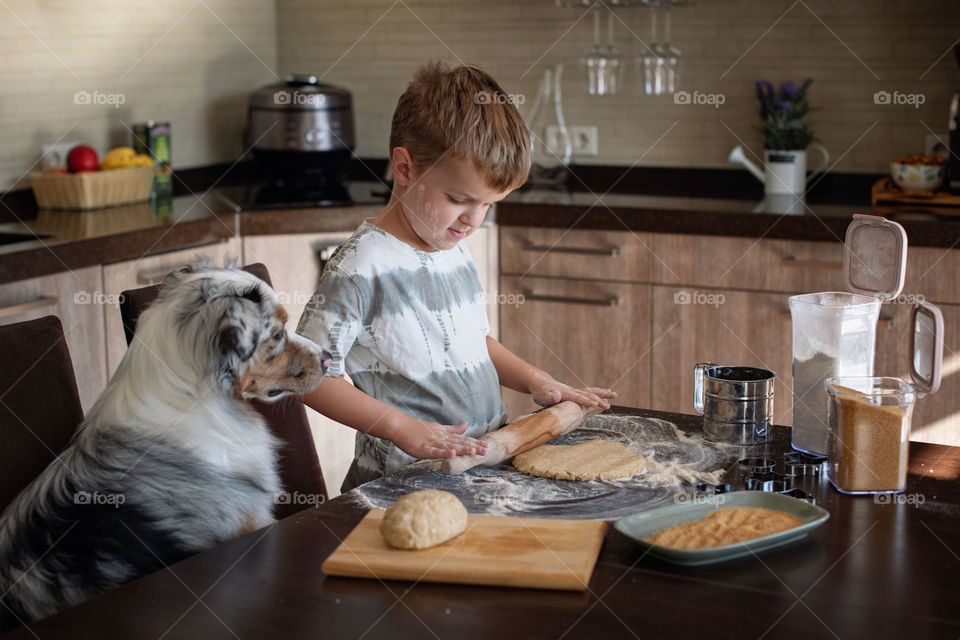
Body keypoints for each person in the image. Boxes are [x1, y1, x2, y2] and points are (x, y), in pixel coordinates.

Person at [298, 61, 616, 492]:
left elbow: (475, 343)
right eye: (459, 199)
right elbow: (309, 377)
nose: (473, 220)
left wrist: (538, 381)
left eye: (488, 205)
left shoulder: (453, 250)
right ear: (405, 168)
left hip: (481, 469)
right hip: (399, 484)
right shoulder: (360, 268)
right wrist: (400, 427)